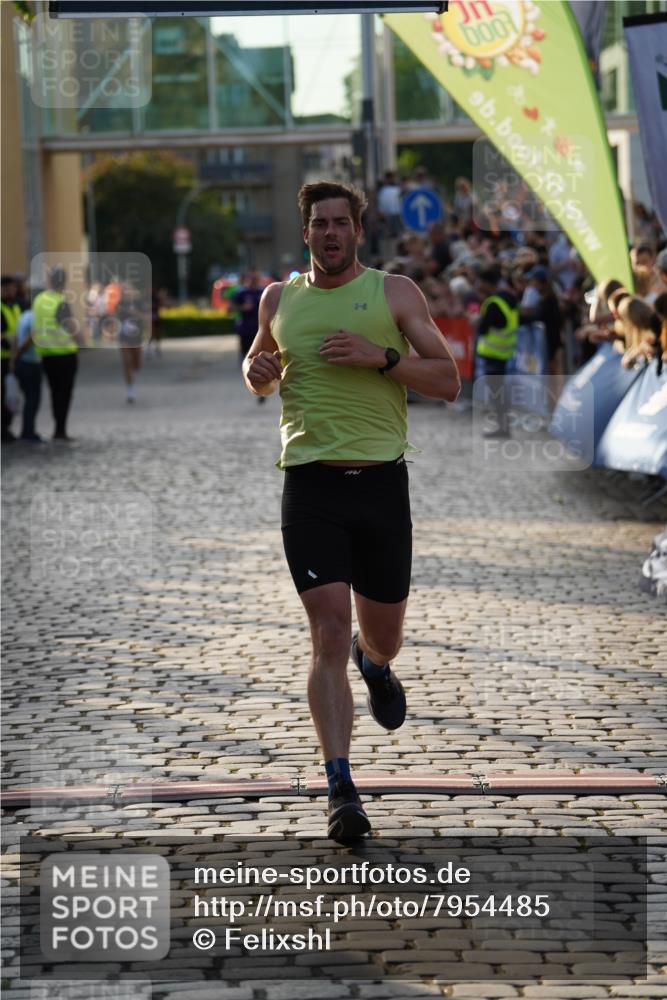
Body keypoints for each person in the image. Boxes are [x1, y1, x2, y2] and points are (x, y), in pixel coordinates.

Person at [242, 181, 460, 843]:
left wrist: (382, 358)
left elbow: (448, 380)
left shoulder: (394, 293)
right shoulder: (278, 299)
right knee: (328, 632)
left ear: (358, 232)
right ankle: (340, 785)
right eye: (320, 224)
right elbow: (259, 367)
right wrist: (257, 374)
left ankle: (378, 663)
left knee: (379, 636)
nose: (330, 233)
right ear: (305, 232)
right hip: (310, 487)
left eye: (341, 223)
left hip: (381, 487)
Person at [32, 266, 80, 441]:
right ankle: (60, 430)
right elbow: (71, 326)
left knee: (54, 392)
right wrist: (81, 340)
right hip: (65, 354)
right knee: (64, 393)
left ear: (50, 281)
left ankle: (57, 428)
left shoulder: (38, 300)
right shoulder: (61, 301)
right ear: (64, 281)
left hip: (46, 354)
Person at [475, 265, 519, 438]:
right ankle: (504, 427)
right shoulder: (508, 298)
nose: (478, 285)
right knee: (500, 392)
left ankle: (503, 428)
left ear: (487, 283)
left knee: (497, 394)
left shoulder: (493, 303)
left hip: (493, 355)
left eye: (480, 282)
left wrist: (477, 321)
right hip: (504, 354)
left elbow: (483, 329)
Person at [13, 289, 43, 441]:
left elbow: (16, 337)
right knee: (33, 399)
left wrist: (15, 357)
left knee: (28, 398)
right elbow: (31, 337)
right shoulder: (35, 317)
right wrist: (20, 353)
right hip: (30, 362)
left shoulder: (23, 315)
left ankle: (27, 430)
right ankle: (28, 432)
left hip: (22, 362)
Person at [1, 275, 22, 442]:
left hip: (12, 358)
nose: (10, 292)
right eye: (6, 289)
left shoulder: (14, 307)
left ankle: (6, 427)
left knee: (10, 395)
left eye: (12, 288)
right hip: (3, 358)